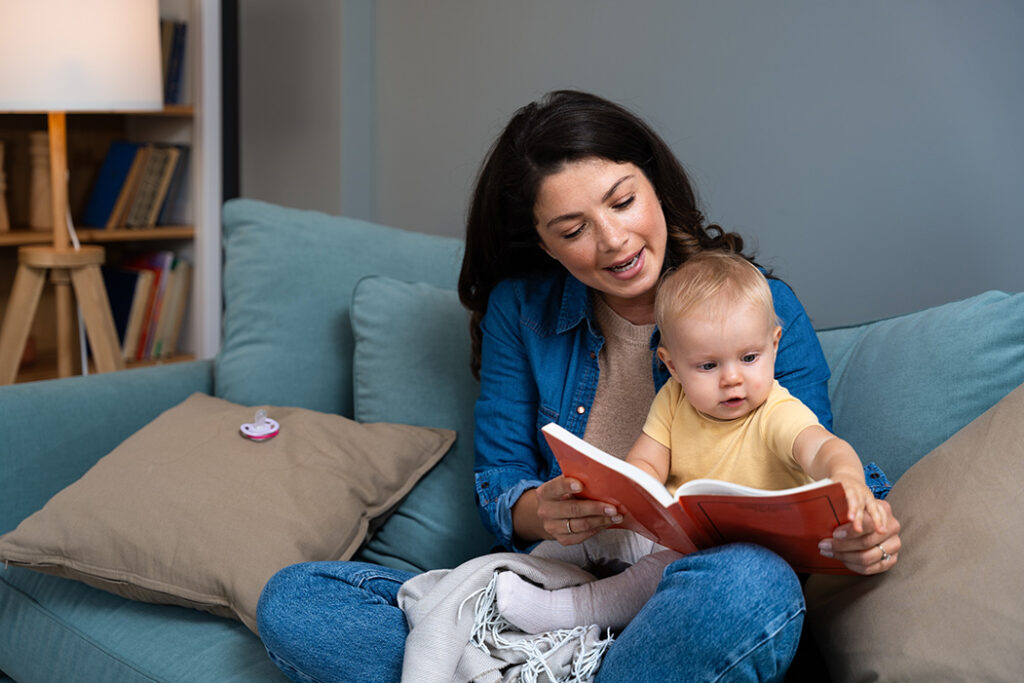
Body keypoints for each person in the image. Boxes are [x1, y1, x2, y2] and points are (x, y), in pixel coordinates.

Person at [256, 90, 903, 682]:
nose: (613, 239)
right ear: (543, 243)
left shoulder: (759, 304)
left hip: (689, 597)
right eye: (573, 229)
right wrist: (546, 508)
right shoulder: (521, 310)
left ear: (654, 183)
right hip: (561, 588)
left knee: (750, 583)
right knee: (296, 597)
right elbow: (503, 480)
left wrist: (855, 521)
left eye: (622, 201)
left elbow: (815, 469)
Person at [493, 250, 889, 635]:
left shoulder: (775, 411)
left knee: (653, 576)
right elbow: (646, 465)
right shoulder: (673, 399)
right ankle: (522, 579)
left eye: (749, 357)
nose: (732, 378)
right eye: (708, 365)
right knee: (593, 533)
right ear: (672, 365)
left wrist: (847, 480)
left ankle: (567, 611)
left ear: (775, 344)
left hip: (723, 566)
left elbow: (823, 448)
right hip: (673, 534)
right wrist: (626, 493)